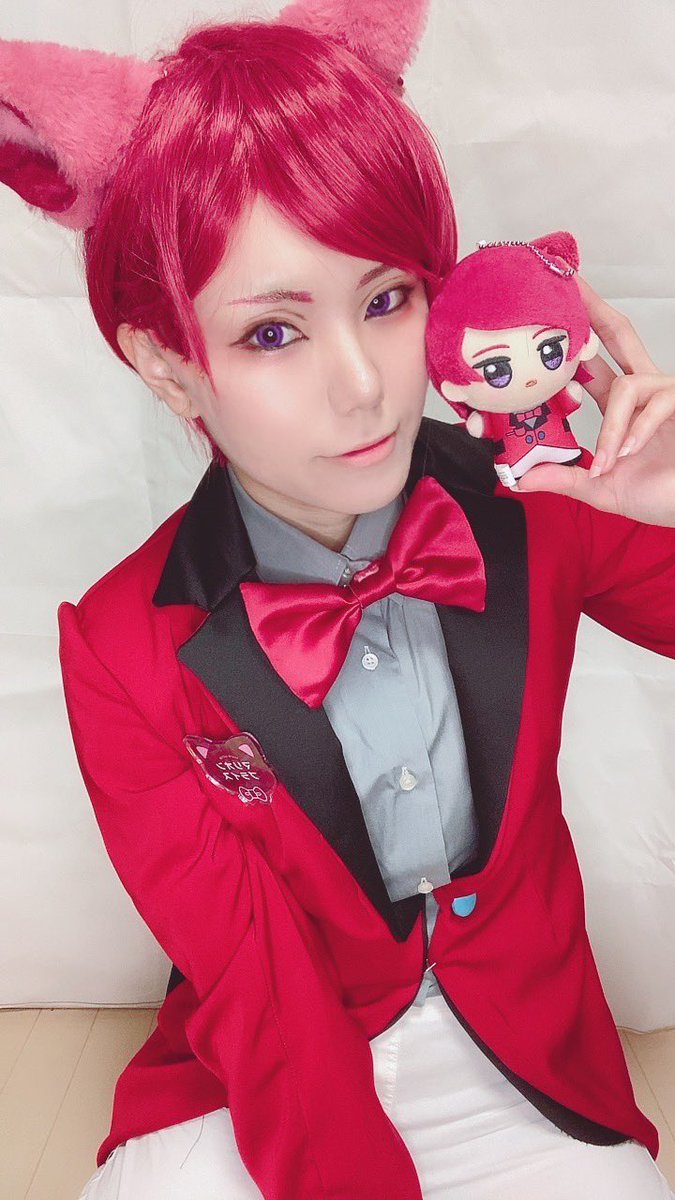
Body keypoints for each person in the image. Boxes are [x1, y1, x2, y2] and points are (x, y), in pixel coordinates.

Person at [2, 5, 675, 1198]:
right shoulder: (120, 648)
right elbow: (256, 983)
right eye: (273, 332)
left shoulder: (544, 501)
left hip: (525, 1051)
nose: (363, 386)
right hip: (259, 1069)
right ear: (167, 365)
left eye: (387, 299)